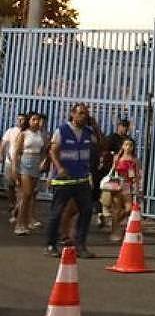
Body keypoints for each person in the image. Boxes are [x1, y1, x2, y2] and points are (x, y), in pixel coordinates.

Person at [46, 103, 103, 258]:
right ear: (73, 114)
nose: (84, 116)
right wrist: (59, 167)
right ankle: (51, 245)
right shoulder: (62, 131)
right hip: (64, 180)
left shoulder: (88, 132)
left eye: (86, 114)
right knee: (57, 212)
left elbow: (100, 144)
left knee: (86, 211)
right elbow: (52, 151)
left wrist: (95, 126)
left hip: (81, 179)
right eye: (81, 113)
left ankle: (80, 245)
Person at [12, 112, 47, 235]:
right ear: (29, 121)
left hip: (36, 163)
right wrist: (14, 168)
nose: (36, 122)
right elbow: (16, 152)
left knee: (31, 195)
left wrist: (43, 161)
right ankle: (19, 224)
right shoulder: (23, 134)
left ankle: (25, 223)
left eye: (37, 120)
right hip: (25, 163)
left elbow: (44, 150)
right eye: (33, 119)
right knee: (25, 194)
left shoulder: (40, 134)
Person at [98, 119, 132, 228]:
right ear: (118, 126)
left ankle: (113, 219)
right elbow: (105, 152)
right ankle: (104, 213)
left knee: (121, 198)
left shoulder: (129, 140)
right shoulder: (111, 138)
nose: (125, 128)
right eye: (123, 126)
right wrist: (113, 156)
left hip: (124, 172)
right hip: (111, 170)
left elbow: (133, 158)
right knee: (108, 194)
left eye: (126, 126)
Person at [3, 112, 27, 222]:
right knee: (9, 185)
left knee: (20, 188)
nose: (20, 121)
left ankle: (17, 209)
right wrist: (1, 154)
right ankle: (12, 203)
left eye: (22, 119)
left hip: (22, 164)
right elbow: (3, 143)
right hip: (9, 162)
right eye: (19, 119)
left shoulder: (26, 133)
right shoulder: (10, 131)